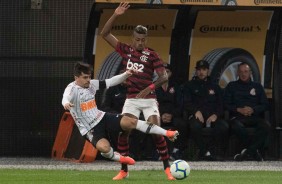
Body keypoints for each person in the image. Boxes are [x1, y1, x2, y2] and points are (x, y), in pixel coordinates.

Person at [100, 2, 176, 180]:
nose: (140, 42)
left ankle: (167, 168)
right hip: (132, 99)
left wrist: (149, 88)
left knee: (156, 131)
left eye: (143, 40)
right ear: (132, 38)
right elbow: (104, 34)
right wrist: (116, 15)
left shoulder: (152, 55)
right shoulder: (125, 50)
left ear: (146, 39)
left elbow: (164, 77)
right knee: (123, 132)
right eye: (137, 39)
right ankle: (124, 171)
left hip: (149, 98)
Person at [61, 62, 179, 168]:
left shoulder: (92, 84)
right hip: (89, 129)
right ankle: (120, 158)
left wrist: (126, 74)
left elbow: (111, 81)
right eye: (85, 77)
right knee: (105, 149)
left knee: (131, 122)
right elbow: (65, 97)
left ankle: (167, 133)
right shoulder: (71, 89)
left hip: (102, 117)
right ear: (76, 78)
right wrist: (66, 103)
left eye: (89, 77)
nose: (88, 80)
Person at [224, 62, 271, 161]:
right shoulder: (231, 86)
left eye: (245, 71)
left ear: (250, 73)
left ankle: (248, 152)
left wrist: (253, 109)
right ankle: (254, 152)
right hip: (237, 117)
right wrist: (239, 109)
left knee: (266, 125)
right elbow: (226, 104)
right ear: (237, 73)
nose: (243, 74)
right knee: (236, 126)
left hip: (254, 116)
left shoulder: (257, 86)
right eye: (241, 72)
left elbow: (265, 104)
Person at [183, 60, 229, 161]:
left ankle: (212, 151)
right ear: (196, 71)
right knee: (195, 126)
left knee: (223, 126)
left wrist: (216, 115)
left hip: (212, 116)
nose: (201, 72)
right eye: (199, 70)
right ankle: (204, 152)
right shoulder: (189, 85)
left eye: (204, 69)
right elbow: (186, 102)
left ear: (208, 71)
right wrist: (195, 111)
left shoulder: (215, 86)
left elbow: (221, 104)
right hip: (197, 116)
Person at [156, 63, 188, 160]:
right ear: (158, 73)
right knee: (150, 124)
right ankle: (157, 151)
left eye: (167, 71)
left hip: (173, 115)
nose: (164, 73)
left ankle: (177, 150)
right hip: (157, 115)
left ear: (171, 73)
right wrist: (161, 115)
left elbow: (180, 105)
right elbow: (151, 103)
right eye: (162, 71)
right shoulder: (153, 87)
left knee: (182, 124)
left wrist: (171, 115)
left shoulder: (177, 87)